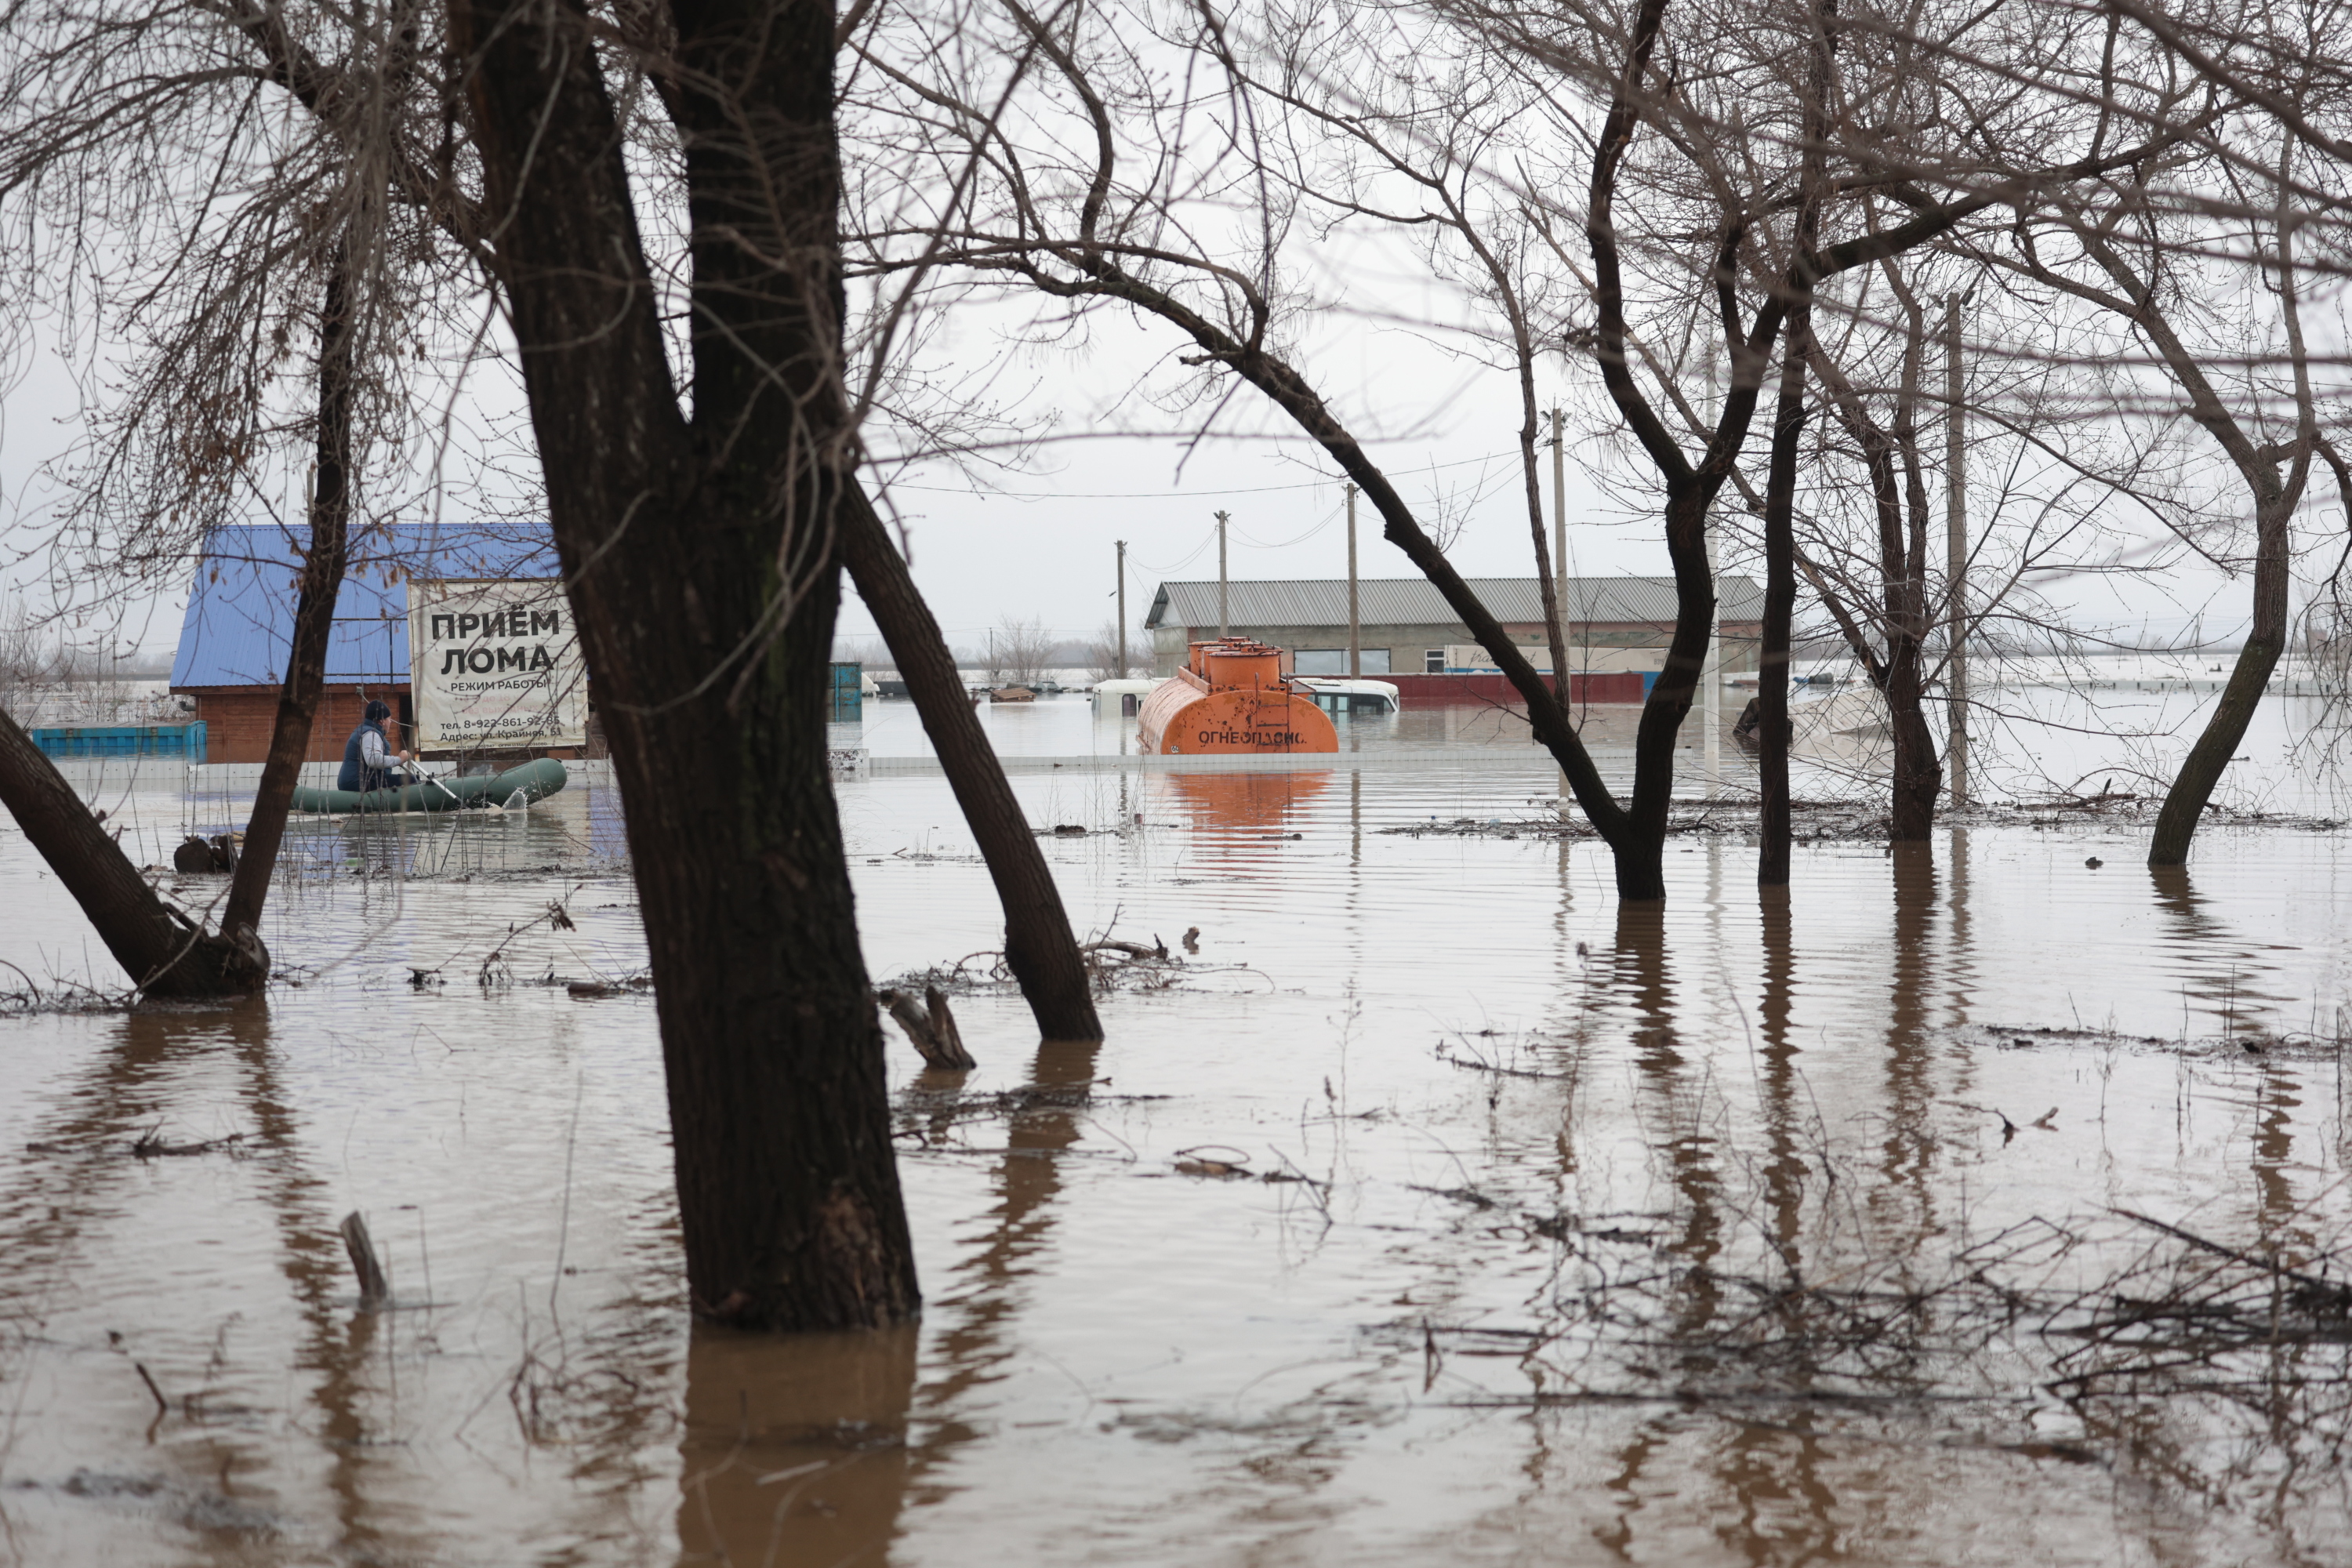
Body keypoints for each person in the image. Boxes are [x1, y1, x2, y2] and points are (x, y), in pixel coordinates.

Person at [338, 700, 417, 793]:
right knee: (411, 780)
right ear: (382, 721)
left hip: (357, 780)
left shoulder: (365, 731)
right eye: (389, 719)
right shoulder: (371, 734)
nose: (390, 722)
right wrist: (399, 759)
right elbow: (373, 759)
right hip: (358, 781)